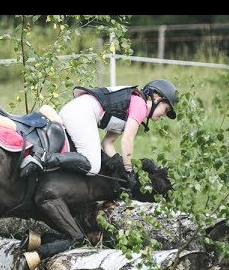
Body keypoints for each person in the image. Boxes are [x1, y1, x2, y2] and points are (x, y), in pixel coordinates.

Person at [20, 79, 179, 193]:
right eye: (165, 110)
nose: (164, 115)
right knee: (92, 166)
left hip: (76, 111)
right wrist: (129, 171)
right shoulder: (141, 105)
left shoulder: (131, 104)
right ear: (157, 97)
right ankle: (44, 158)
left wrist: (118, 166)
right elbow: (127, 140)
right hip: (82, 114)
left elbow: (108, 143)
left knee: (88, 156)